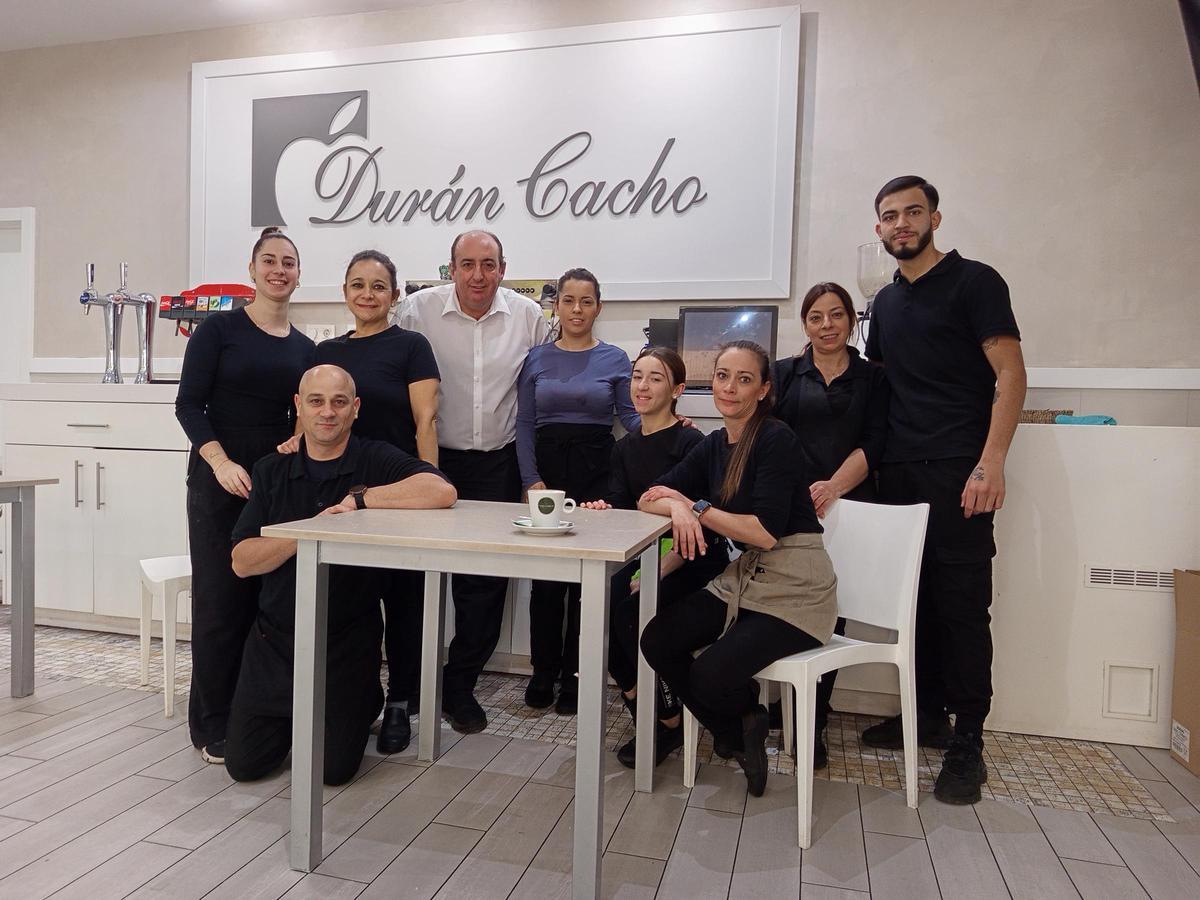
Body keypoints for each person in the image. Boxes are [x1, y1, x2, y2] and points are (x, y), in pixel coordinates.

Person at [863, 175, 1026, 805]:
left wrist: (992, 461)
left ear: (935, 217)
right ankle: (925, 714)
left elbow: (1010, 372)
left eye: (911, 212)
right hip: (898, 474)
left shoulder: (975, 282)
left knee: (961, 608)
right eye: (888, 216)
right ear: (878, 229)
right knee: (915, 602)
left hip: (960, 470)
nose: (900, 224)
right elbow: (878, 384)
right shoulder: (886, 304)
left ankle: (968, 743)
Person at [225, 365, 456, 785]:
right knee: (245, 767)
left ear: (355, 409)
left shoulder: (373, 458)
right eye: (316, 401)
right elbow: (242, 561)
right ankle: (296, 713)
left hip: (345, 642)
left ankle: (366, 699)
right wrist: (310, 532)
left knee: (332, 772)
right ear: (299, 407)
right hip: (275, 641)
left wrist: (360, 500)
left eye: (338, 402)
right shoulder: (270, 471)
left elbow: (441, 491)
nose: (327, 412)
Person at [639, 341, 838, 797]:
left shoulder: (775, 438)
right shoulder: (714, 444)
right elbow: (650, 496)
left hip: (797, 590)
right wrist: (681, 510)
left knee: (709, 674)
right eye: (724, 375)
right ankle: (740, 730)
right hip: (745, 580)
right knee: (657, 638)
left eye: (744, 379)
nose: (730, 387)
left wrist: (697, 507)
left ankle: (741, 727)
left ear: (764, 389)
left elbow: (764, 533)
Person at [396, 230, 550, 734]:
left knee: (484, 585)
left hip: (496, 465)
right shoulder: (416, 312)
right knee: (413, 577)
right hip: (428, 463)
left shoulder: (528, 318)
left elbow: (540, 394)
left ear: (504, 268)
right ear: (451, 269)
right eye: (467, 264)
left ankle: (458, 685)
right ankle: (407, 687)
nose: (478, 275)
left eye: (488, 264)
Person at [175, 226, 315, 764]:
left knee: (266, 603)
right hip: (219, 477)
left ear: (299, 275)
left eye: (289, 263)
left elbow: (304, 411)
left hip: (272, 484)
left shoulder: (305, 348)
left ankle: (254, 711)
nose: (280, 270)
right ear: (253, 269)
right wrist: (220, 462)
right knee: (220, 601)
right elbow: (190, 406)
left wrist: (297, 437)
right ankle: (211, 722)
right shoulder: (219, 330)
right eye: (270, 261)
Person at [308, 250, 440, 755]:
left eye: (379, 286)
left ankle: (402, 702)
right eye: (358, 285)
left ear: (395, 295)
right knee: (352, 601)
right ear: (345, 292)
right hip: (340, 490)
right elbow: (310, 419)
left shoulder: (411, 346)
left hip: (397, 487)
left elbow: (425, 421)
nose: (368, 294)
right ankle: (362, 697)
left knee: (404, 601)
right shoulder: (327, 352)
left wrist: (432, 485)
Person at [580, 347, 730, 768]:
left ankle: (666, 722)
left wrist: (658, 571)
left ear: (678, 389)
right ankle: (641, 708)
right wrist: (602, 511)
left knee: (632, 616)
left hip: (692, 562)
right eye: (637, 376)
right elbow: (624, 507)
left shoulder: (691, 441)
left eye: (656, 378)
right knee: (592, 613)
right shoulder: (624, 447)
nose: (642, 386)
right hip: (641, 562)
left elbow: (700, 519)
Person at [771, 281, 889, 768]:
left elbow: (876, 443)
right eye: (816, 317)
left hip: (849, 510)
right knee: (784, 606)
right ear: (805, 325)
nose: (826, 326)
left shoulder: (874, 379)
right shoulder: (783, 374)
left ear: (850, 321)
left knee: (830, 613)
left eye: (836, 315)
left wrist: (833, 486)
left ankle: (814, 720)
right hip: (792, 509)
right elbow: (767, 436)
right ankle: (783, 707)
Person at [516, 268, 640, 714]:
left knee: (587, 584)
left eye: (586, 301)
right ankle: (542, 673)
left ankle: (574, 676)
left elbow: (631, 418)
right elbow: (526, 424)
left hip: (596, 473)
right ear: (557, 305)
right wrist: (531, 479)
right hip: (546, 472)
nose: (577, 310)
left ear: (598, 307)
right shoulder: (535, 359)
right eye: (569, 300)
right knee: (546, 584)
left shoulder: (615, 359)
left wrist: (669, 425)